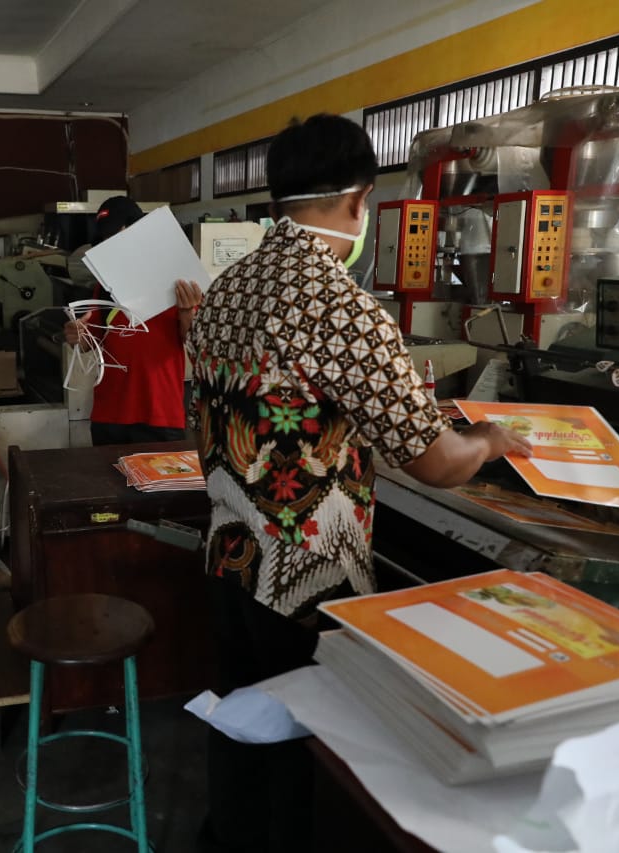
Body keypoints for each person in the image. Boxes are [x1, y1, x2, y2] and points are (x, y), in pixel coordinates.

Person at [185, 114, 532, 853]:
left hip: (230, 553)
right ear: (358, 200)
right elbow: (435, 463)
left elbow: (269, 404)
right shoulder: (342, 306)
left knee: (242, 721)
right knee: (305, 744)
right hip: (304, 575)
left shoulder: (227, 289)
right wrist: (486, 439)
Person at [62, 196, 201, 446]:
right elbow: (88, 341)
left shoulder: (177, 282)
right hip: (109, 415)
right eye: (106, 241)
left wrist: (187, 312)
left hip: (159, 415)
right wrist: (77, 335)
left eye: (117, 237)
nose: (111, 246)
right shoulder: (105, 287)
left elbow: (197, 344)